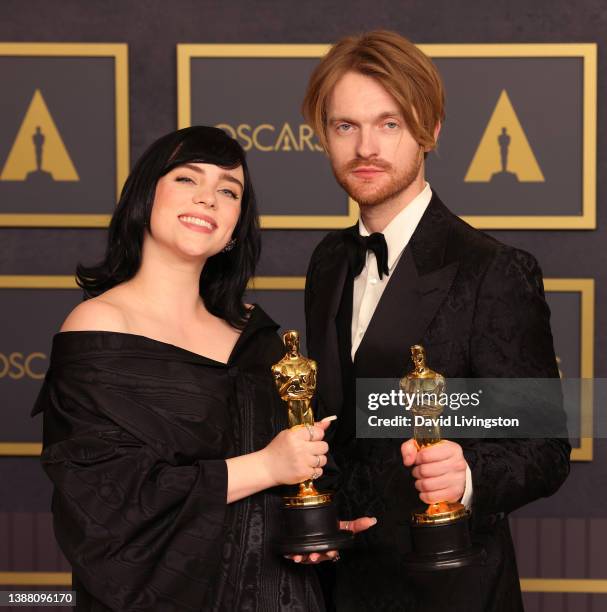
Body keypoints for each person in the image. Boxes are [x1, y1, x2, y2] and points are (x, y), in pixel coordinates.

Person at [300, 31, 570, 611]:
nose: (366, 146)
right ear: (324, 137)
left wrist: (466, 476)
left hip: (450, 589)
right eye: (346, 126)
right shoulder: (327, 261)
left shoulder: (494, 271)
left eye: (389, 123)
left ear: (430, 131)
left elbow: (545, 449)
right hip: (334, 586)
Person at [32, 126, 334, 611]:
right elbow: (109, 505)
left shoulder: (258, 343)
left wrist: (323, 518)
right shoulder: (100, 328)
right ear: (145, 195)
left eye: (228, 191)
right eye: (187, 180)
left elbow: (298, 476)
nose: (209, 199)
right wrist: (266, 465)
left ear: (237, 226)